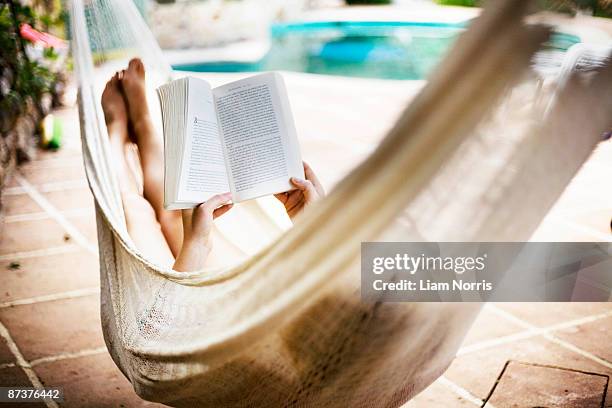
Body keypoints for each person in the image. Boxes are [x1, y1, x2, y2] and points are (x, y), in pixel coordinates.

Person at [100, 58, 325, 272]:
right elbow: (359, 287)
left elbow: (165, 311)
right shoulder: (362, 283)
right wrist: (318, 227)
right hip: (273, 286)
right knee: (178, 214)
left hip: (234, 305)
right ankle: (142, 125)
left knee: (135, 211)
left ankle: (117, 129)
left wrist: (196, 247)